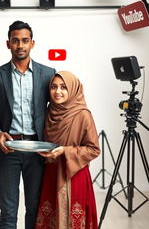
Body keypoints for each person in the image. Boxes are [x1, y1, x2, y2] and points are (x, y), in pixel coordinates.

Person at [0, 20, 56, 229]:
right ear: (8, 44)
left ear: (32, 43)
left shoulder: (49, 74)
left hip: (38, 152)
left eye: (24, 40)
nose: (20, 45)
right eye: (15, 41)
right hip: (7, 151)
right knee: (8, 215)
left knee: (35, 210)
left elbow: (57, 111)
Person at [35, 71, 100, 229]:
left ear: (73, 89)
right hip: (51, 172)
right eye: (54, 87)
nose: (58, 92)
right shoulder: (49, 113)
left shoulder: (82, 114)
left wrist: (65, 150)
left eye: (64, 87)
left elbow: (94, 149)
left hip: (74, 174)